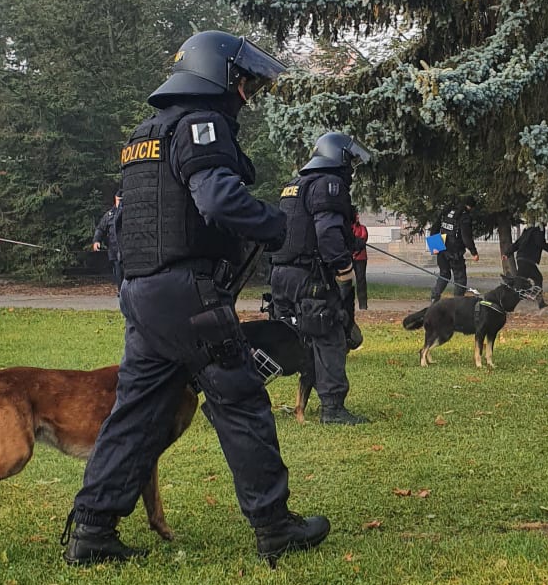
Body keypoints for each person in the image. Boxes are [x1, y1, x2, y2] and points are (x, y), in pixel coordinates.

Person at [61, 31, 329, 566]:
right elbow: (217, 198)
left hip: (143, 295)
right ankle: (275, 527)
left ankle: (92, 531)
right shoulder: (200, 126)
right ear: (222, 76)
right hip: (187, 295)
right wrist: (273, 225)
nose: (250, 92)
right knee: (241, 400)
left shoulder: (145, 135)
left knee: (134, 413)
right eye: (247, 81)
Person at [270, 132, 371, 425]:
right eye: (349, 160)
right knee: (330, 337)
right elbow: (326, 232)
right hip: (310, 278)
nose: (351, 168)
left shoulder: (295, 185)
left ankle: (234, 396)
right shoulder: (330, 185)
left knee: (287, 340)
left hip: (282, 275)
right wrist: (342, 266)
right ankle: (333, 409)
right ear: (337, 157)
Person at [429, 196, 479, 303]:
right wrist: (474, 252)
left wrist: (434, 246)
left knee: (444, 274)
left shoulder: (447, 212)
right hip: (454, 252)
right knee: (460, 279)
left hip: (442, 250)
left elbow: (435, 227)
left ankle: (434, 298)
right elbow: (466, 237)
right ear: (470, 207)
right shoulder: (464, 217)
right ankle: (457, 303)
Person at [503, 223, 548, 309]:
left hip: (521, 258)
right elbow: (541, 243)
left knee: (522, 281)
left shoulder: (527, 231)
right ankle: (508, 302)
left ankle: (539, 302)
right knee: (536, 279)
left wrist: (507, 253)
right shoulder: (538, 231)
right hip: (528, 259)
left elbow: (517, 243)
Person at [92, 190, 123, 292]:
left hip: (128, 250)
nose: (121, 202)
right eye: (119, 200)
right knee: (118, 273)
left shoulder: (129, 213)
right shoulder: (109, 215)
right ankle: (120, 292)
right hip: (114, 250)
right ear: (115, 199)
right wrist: (96, 240)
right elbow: (100, 229)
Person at [351, 207, 368, 310]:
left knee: (361, 281)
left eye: (358, 214)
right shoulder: (347, 227)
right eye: (355, 215)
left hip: (361, 258)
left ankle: (363, 305)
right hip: (348, 258)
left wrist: (355, 252)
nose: (357, 216)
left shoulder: (362, 228)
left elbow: (362, 240)